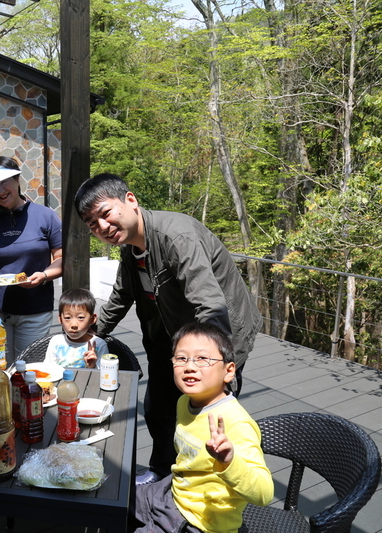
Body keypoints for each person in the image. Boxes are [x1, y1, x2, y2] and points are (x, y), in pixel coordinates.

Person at [75, 173, 262, 485]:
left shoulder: (177, 236)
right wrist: (91, 334)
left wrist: (212, 368)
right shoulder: (130, 247)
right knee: (158, 410)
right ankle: (163, 475)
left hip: (220, 338)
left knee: (206, 424)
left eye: (105, 214)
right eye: (92, 223)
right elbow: (122, 295)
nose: (102, 227)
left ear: (130, 201)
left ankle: (205, 491)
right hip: (170, 338)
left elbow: (211, 307)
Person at [133, 322, 273, 533]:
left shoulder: (235, 423)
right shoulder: (184, 402)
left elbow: (264, 493)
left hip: (201, 522)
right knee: (114, 499)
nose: (190, 366)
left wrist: (229, 462)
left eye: (202, 358)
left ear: (229, 371)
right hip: (173, 492)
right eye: (181, 358)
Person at [0, 156, 63, 362]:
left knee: (30, 369)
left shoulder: (45, 216)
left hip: (35, 310)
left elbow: (61, 258)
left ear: (17, 179)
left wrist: (43, 275)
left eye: (4, 183)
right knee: (0, 367)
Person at [43, 288, 109, 369]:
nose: (74, 324)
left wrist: (91, 366)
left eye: (80, 317)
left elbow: (105, 376)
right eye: (67, 318)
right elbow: (47, 369)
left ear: (92, 319)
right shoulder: (56, 341)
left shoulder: (99, 344)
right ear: (60, 319)